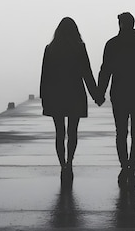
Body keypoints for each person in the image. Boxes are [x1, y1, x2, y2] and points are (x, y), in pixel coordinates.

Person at [97, 12, 135, 187]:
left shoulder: (112, 44)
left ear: (120, 24)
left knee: (121, 133)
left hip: (119, 94)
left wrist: (99, 94)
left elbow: (105, 71)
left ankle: (124, 166)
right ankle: (132, 167)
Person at [40, 17, 102, 184]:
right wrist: (97, 95)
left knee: (59, 132)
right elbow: (87, 73)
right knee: (72, 132)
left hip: (55, 95)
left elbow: (45, 76)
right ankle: (70, 163)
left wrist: (43, 97)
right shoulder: (79, 48)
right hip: (75, 94)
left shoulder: (50, 49)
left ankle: (62, 166)